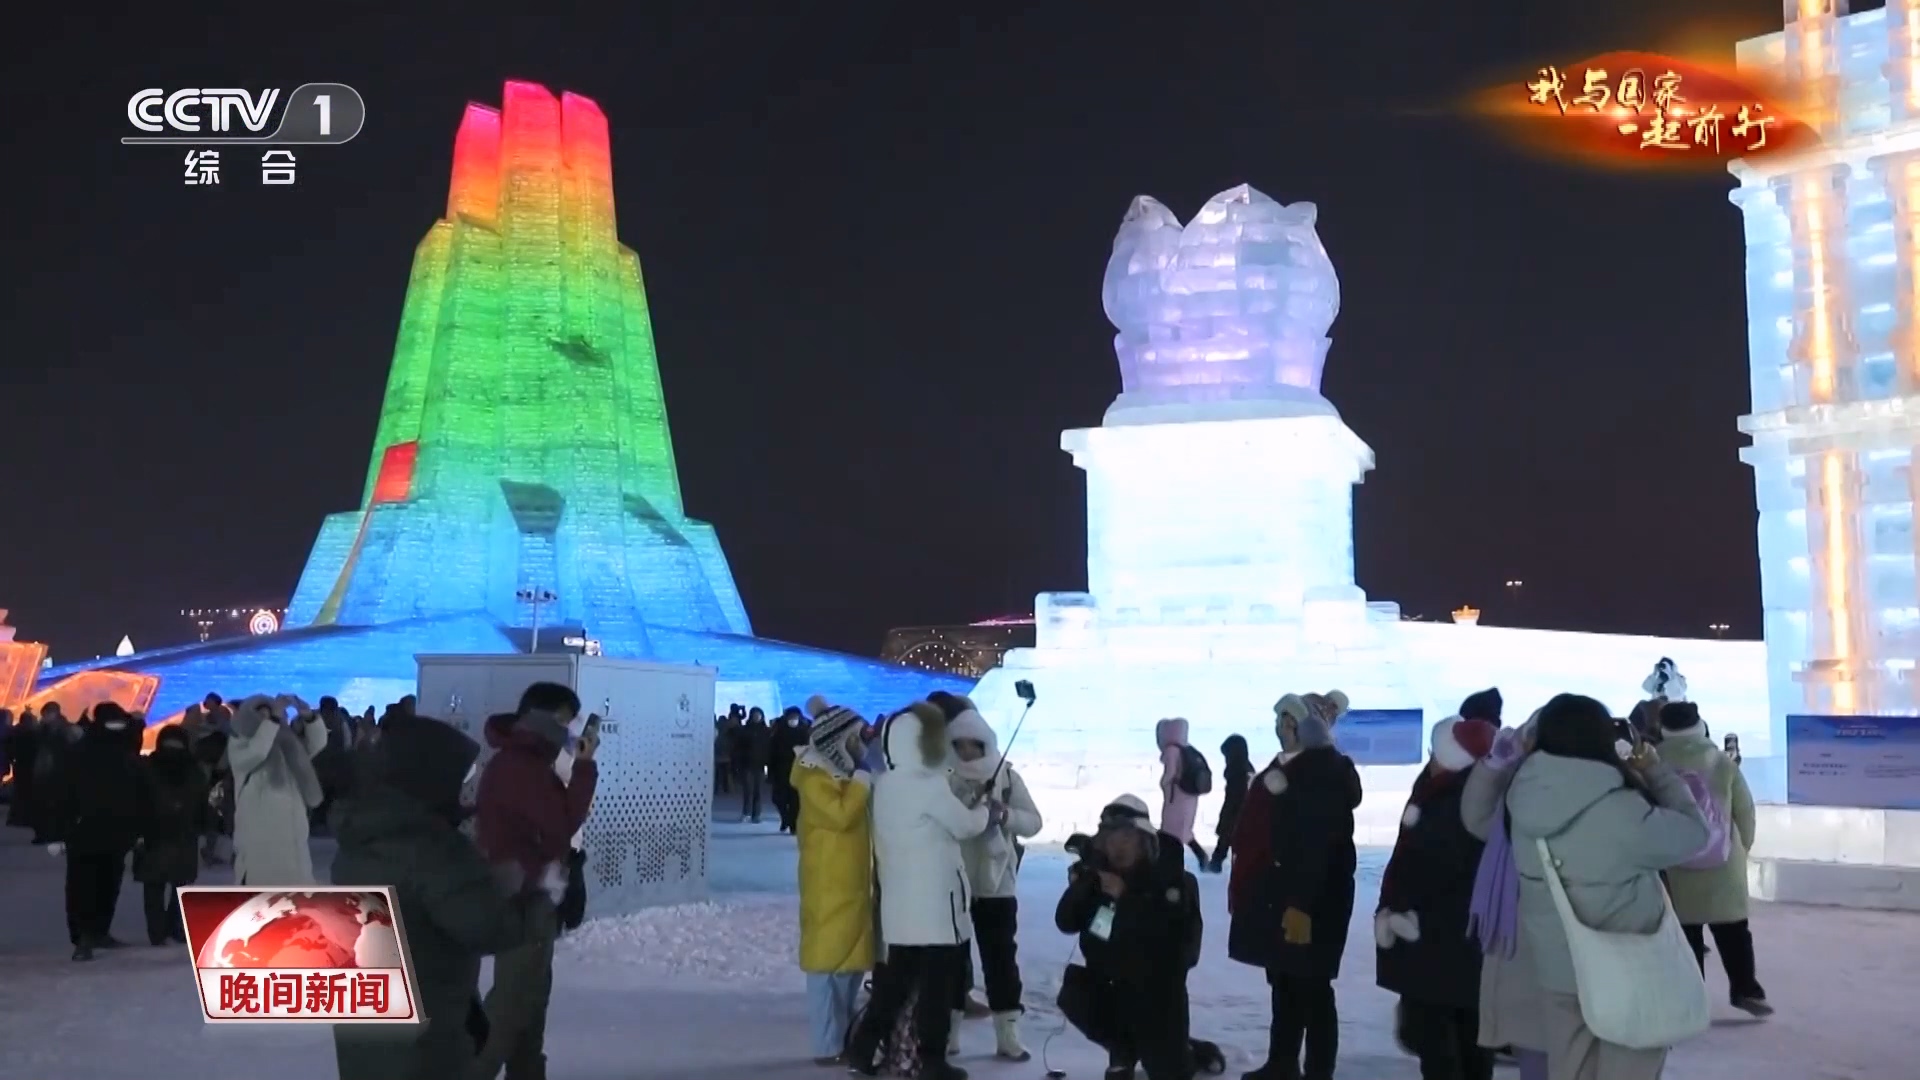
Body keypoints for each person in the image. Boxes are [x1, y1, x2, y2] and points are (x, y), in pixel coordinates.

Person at [331, 713, 560, 1080]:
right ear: (432, 774)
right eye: (460, 776)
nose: (466, 786)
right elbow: (488, 927)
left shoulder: (360, 835)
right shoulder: (433, 849)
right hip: (428, 1036)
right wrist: (538, 903)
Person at [1506, 693, 1709, 1080]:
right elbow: (1694, 834)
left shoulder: (1522, 797)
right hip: (1625, 966)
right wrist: (1655, 770)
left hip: (1558, 969)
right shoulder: (1619, 808)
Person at [846, 700, 989, 1080]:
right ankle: (932, 1059)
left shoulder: (887, 784)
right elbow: (966, 826)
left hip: (901, 905)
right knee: (937, 989)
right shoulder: (929, 786)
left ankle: (862, 1048)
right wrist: (987, 809)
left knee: (894, 984)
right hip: (937, 907)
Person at [472, 681, 597, 1080]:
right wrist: (585, 768)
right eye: (565, 719)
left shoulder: (526, 760)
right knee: (512, 1004)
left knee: (529, 1005)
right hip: (523, 896)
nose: (571, 730)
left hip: (530, 891)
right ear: (543, 718)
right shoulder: (520, 766)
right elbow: (561, 825)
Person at [1233, 708, 1360, 1080]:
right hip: (1286, 895)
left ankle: (1318, 1071)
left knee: (1313, 988)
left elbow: (1315, 846)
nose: (1277, 728)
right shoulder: (1293, 768)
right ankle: (1282, 1063)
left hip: (1312, 901)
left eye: (1285, 722)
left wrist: (1300, 905)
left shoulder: (1320, 773)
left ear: (1300, 729)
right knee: (1286, 983)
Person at [1376, 717, 1497, 1080]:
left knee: (1441, 1040)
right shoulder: (1467, 791)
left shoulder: (1448, 799)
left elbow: (1429, 867)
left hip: (1436, 936)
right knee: (1469, 1035)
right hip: (1464, 940)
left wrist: (1400, 913)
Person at [1055, 795, 1204, 1080]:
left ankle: (1185, 1052)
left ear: (1144, 839)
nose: (1117, 845)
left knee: (1170, 1071)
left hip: (1158, 996)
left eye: (1126, 837)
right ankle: (1121, 1050)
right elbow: (1065, 922)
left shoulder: (1173, 882)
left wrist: (1125, 901)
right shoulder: (1097, 875)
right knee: (1076, 994)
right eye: (1110, 837)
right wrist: (1083, 886)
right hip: (1110, 985)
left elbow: (1184, 951)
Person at [1656, 701, 1769, 1016]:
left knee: (1686, 935)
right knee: (1734, 930)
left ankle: (1690, 999)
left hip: (1673, 861)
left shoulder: (1654, 764)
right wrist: (1740, 848)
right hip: (1723, 859)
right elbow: (1744, 811)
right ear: (1699, 724)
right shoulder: (1722, 762)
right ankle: (1746, 988)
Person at [947, 697, 1044, 1062]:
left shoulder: (1006, 776)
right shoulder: (942, 777)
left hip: (998, 883)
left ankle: (1008, 1034)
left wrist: (1004, 817)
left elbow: (1033, 821)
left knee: (1001, 960)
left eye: (975, 745)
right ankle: (949, 1033)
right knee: (953, 960)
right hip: (953, 882)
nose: (968, 752)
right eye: (960, 745)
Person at [1460, 716, 1549, 1080]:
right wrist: (1495, 766)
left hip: (1563, 957)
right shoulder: (1520, 788)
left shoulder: (1529, 790)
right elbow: (1478, 819)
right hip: (1533, 957)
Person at [793, 695, 877, 1065]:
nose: (862, 744)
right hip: (828, 884)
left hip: (852, 883)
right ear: (838, 741)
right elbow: (841, 815)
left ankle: (841, 1039)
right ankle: (827, 1045)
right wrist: (862, 778)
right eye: (857, 737)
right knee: (826, 968)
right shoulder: (814, 777)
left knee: (849, 965)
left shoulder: (841, 773)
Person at [226, 694, 328, 886]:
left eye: (274, 716)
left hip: (293, 843)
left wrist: (308, 717)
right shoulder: (240, 749)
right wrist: (273, 719)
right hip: (259, 847)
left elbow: (318, 743)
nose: (271, 720)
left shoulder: (289, 750)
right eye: (263, 716)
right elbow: (258, 750)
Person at [134, 725, 209, 946]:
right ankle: (174, 928)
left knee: (154, 887)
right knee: (180, 885)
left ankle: (157, 932)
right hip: (182, 835)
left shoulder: (148, 767)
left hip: (153, 835)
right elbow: (202, 804)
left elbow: (137, 801)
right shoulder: (194, 770)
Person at [1155, 718, 1208, 870]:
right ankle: (1201, 856)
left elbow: (1170, 773)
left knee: (1171, 833)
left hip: (1176, 796)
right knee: (1184, 830)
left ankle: (1172, 863)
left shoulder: (1172, 750)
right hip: (1189, 795)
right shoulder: (1187, 748)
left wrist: (1163, 784)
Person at [1209, 735, 1254, 873]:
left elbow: (1232, 799)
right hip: (1245, 814)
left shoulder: (1236, 773)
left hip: (1236, 815)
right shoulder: (1246, 769)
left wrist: (1224, 818)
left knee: (1227, 841)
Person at [771, 706, 810, 834]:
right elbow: (772, 750)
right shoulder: (779, 731)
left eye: (795, 717)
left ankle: (793, 824)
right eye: (791, 717)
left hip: (798, 769)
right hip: (781, 769)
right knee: (778, 798)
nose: (793, 720)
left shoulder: (805, 731)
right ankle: (786, 818)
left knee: (795, 800)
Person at [739, 707, 772, 824]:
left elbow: (769, 749)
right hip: (747, 765)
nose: (757, 717)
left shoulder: (766, 731)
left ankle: (756, 814)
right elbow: (738, 748)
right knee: (748, 790)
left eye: (759, 715)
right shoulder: (745, 730)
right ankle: (746, 812)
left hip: (760, 765)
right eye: (755, 715)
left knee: (757, 791)